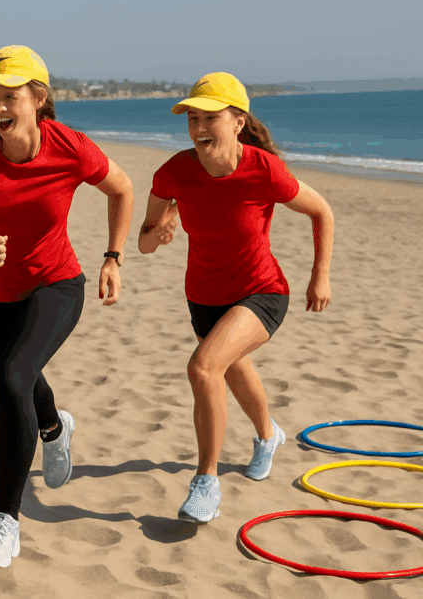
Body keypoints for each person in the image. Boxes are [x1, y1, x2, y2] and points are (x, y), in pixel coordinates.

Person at [0, 46, 134, 568]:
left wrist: (113, 256)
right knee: (19, 376)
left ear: (38, 98)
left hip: (56, 285)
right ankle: (55, 427)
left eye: (9, 96)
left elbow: (123, 189)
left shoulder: (70, 147)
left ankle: (5, 522)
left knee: (11, 380)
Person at [139, 72, 334, 524]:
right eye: (192, 118)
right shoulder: (173, 173)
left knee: (203, 367)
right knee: (230, 370)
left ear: (238, 121)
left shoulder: (264, 170)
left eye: (210, 117)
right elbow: (145, 243)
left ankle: (206, 482)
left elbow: (322, 210)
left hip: (261, 291)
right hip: (204, 297)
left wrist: (319, 276)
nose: (198, 127)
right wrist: (160, 228)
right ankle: (268, 435)